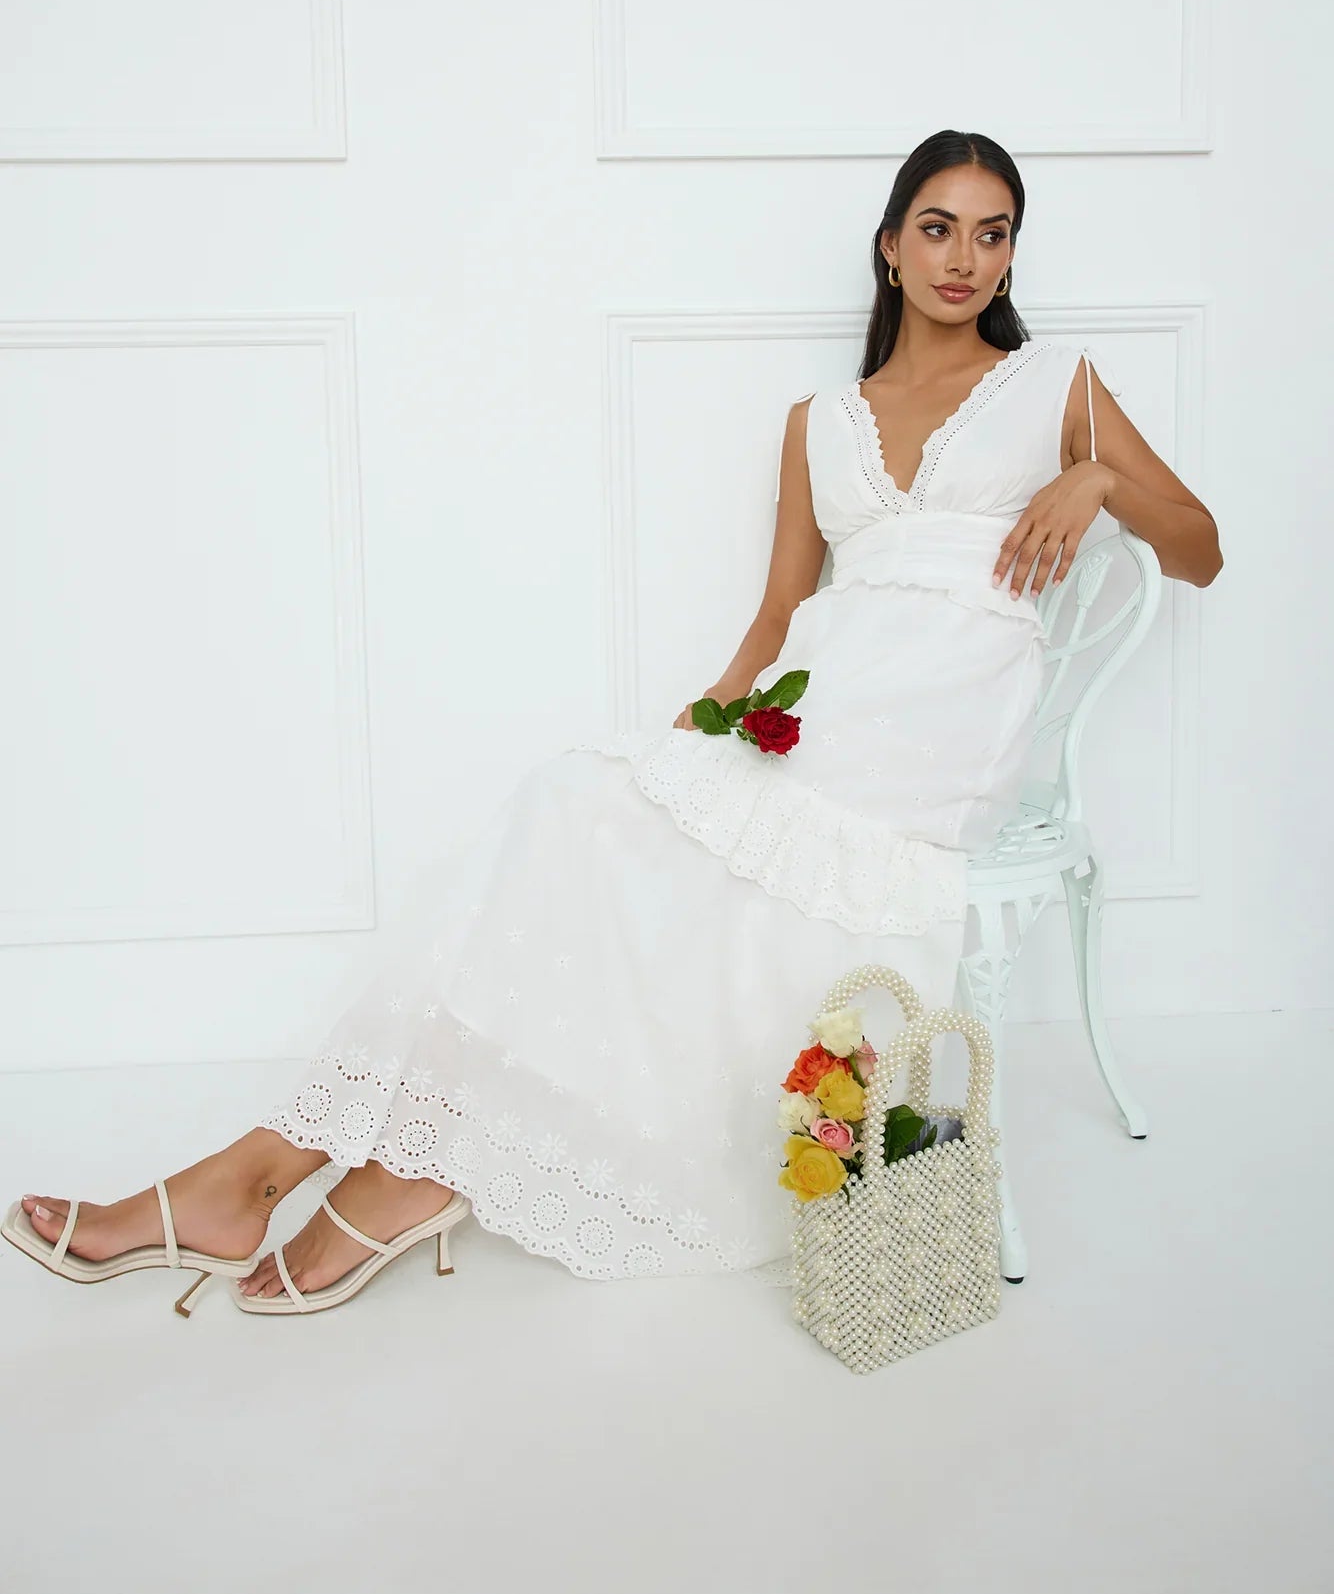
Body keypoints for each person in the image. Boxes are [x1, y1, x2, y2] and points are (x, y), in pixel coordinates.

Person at [3, 129, 1223, 1313]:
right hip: (823, 703)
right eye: (938, 228)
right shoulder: (818, 421)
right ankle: (303, 1164)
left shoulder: (1054, 387)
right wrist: (704, 730)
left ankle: (331, 1174)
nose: (963, 258)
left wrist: (1097, 476)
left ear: (1009, 258)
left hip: (936, 738)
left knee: (619, 837)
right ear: (889, 246)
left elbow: (1199, 552)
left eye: (992, 235)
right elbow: (778, 617)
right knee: (575, 804)